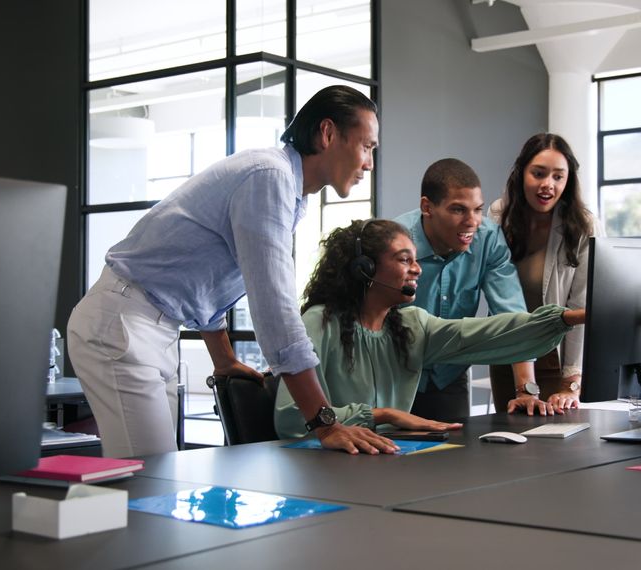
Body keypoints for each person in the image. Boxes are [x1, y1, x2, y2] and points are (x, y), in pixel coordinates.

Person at [67, 85, 398, 458]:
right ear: (327, 133)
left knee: (159, 471)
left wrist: (223, 358)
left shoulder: (287, 190)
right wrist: (325, 423)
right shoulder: (269, 177)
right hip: (123, 322)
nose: (369, 163)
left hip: (152, 325)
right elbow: (274, 309)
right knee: (148, 476)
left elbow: (207, 278)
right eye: (366, 146)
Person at [274, 219, 586, 439]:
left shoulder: (411, 325)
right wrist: (382, 415)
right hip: (324, 465)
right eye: (404, 260)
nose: (417, 269)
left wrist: (570, 318)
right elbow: (292, 416)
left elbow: (490, 333)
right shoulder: (319, 322)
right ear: (365, 269)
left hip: (384, 461)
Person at [393, 158, 556, 422]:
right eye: (458, 210)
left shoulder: (488, 239)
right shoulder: (394, 241)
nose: (472, 221)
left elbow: (511, 313)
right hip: (393, 374)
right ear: (427, 207)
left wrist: (525, 390)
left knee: (454, 446)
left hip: (448, 375)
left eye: (478, 209)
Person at [487, 133, 604, 413]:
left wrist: (571, 382)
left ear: (568, 181)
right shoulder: (499, 215)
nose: (547, 185)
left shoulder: (584, 225)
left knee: (554, 433)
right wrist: (522, 383)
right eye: (538, 174)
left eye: (558, 177)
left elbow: (581, 306)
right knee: (507, 433)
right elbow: (499, 293)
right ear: (521, 173)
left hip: (555, 355)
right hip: (507, 350)